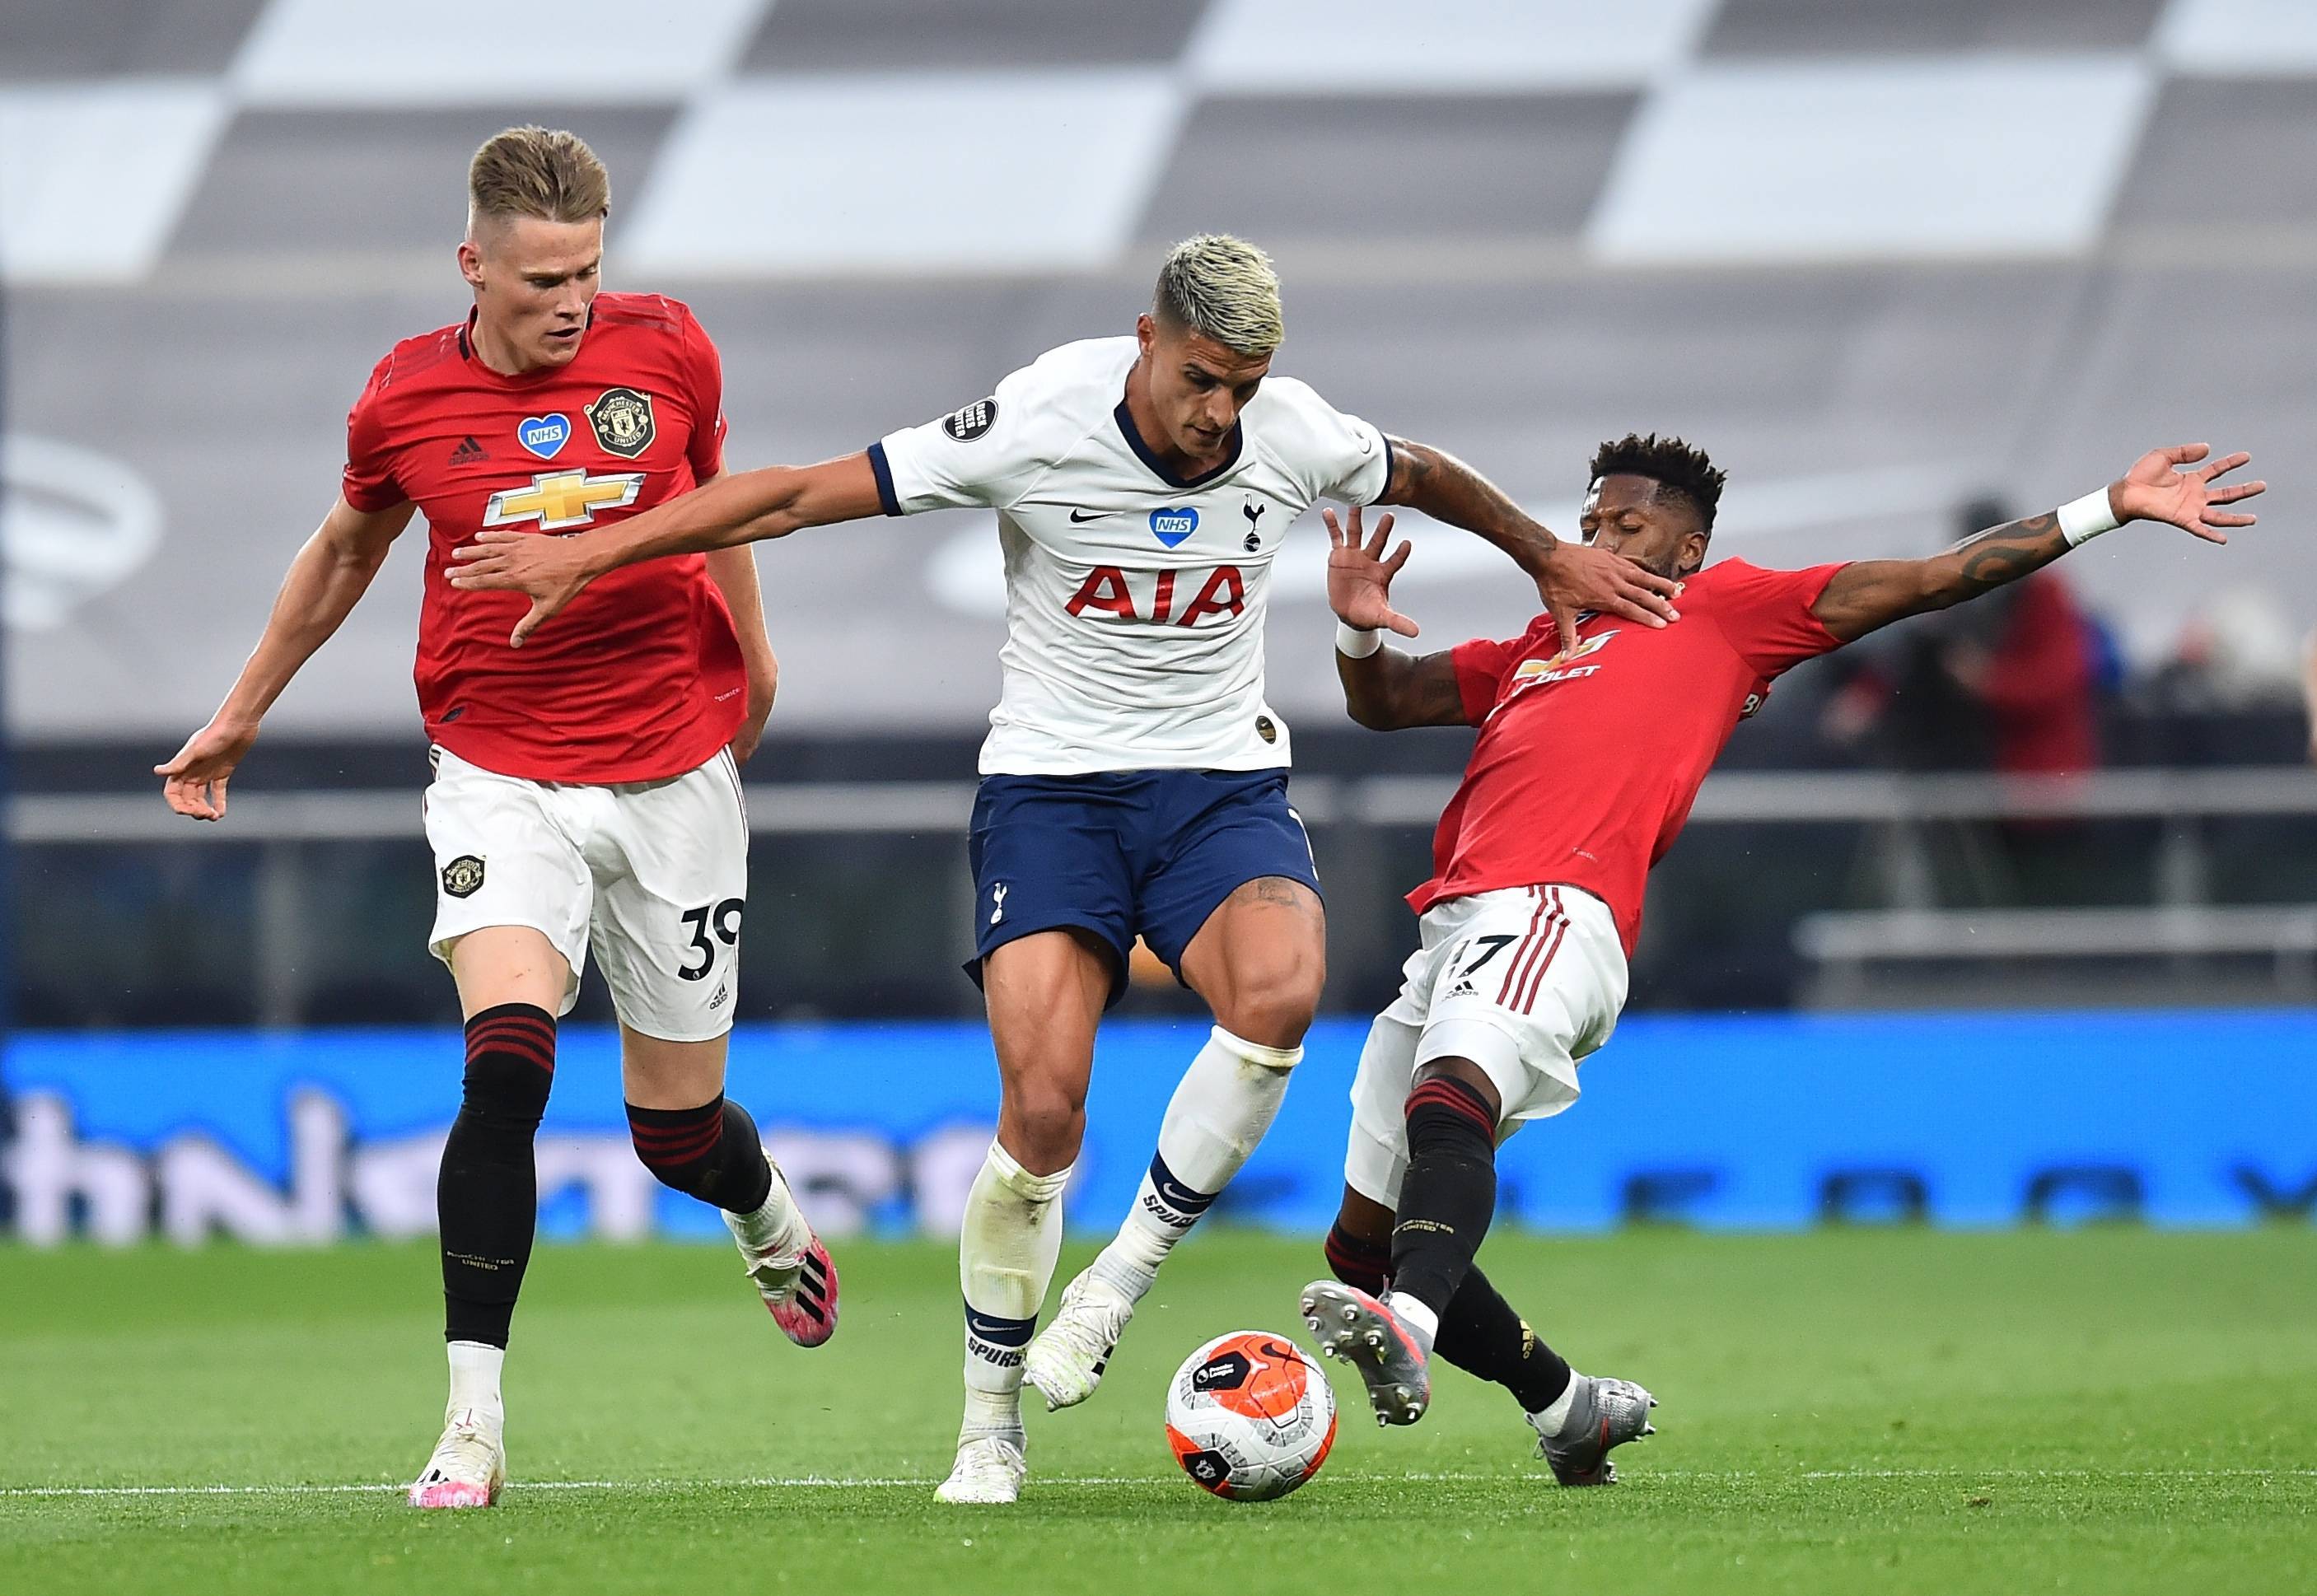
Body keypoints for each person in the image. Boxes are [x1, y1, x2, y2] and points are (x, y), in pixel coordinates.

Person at [445, 234, 1684, 1504]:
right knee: (1041, 1114)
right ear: (1147, 341)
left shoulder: (1289, 429)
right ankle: (989, 1419)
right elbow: (794, 495)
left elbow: (1416, 470)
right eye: (1202, 379)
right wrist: (599, 546)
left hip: (1218, 789)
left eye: (1244, 388)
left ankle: (1117, 1282)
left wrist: (1542, 550)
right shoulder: (1037, 417)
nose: (1221, 414)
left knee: (1280, 991)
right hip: (1051, 795)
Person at [1300, 432, 2262, 1483]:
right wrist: (1354, 634)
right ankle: (1569, 1408)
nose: (1598, 540)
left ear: (1689, 542)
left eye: (1627, 524)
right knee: (1361, 1238)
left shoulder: (1726, 612)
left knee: (1454, 1096)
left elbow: (1935, 580)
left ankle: (1408, 1326)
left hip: (1553, 905)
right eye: (1588, 525)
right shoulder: (1546, 635)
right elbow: (1386, 702)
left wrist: (2108, 506)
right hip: (1451, 922)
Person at [154, 127, 839, 1511]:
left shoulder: (671, 352)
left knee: (676, 1134)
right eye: (539, 280)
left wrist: (754, 663)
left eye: (585, 270)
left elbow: (716, 509)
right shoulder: (404, 397)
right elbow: (347, 546)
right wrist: (242, 708)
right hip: (499, 772)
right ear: (473, 266)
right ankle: (471, 1424)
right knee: (507, 1065)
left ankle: (760, 1215)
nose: (570, 300)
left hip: (670, 776)